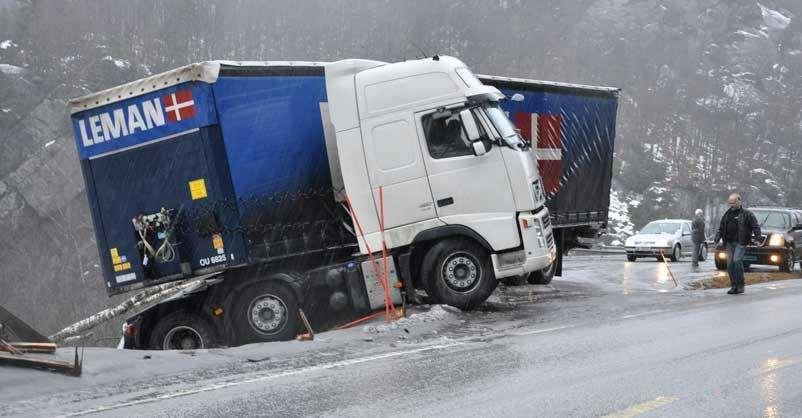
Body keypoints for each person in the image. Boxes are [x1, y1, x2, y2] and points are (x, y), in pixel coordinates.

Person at [713, 193, 761, 294]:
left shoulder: (747, 214)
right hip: (729, 242)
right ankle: (734, 285)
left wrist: (757, 238)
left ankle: (740, 285)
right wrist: (717, 237)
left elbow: (755, 226)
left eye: (733, 203)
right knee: (730, 264)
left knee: (737, 260)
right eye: (730, 203)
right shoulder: (727, 214)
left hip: (741, 242)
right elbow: (721, 228)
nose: (731, 205)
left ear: (739, 201)